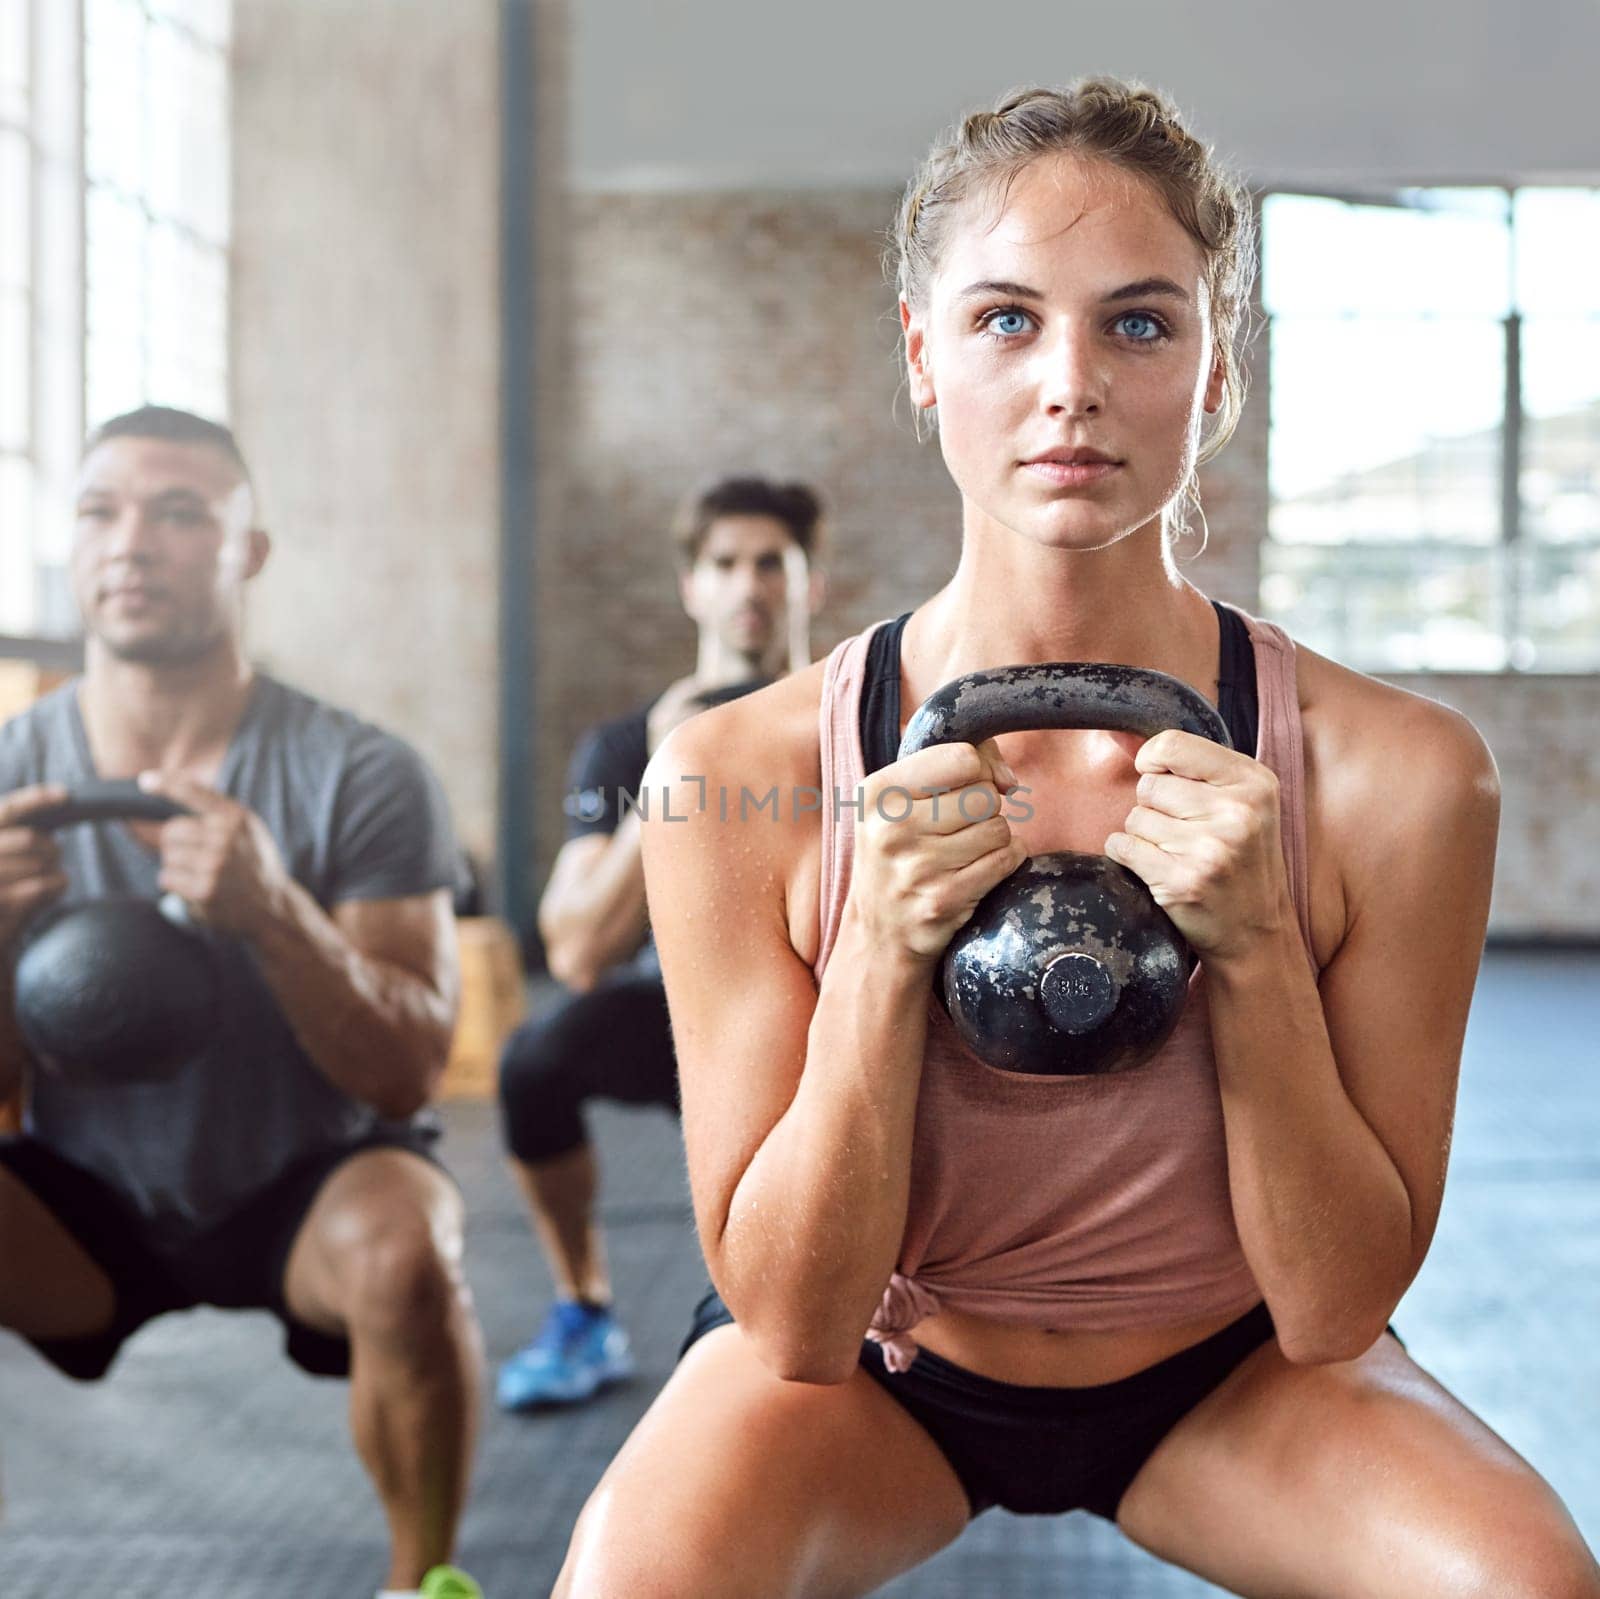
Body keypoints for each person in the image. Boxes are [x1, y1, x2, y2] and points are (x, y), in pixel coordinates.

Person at [552, 81, 1600, 1598]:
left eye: (1141, 323)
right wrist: (879, 948)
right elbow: (790, 1320)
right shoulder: (739, 772)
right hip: (876, 1372)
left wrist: (1252, 947)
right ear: (923, 357)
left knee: (1530, 1586)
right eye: (1002, 320)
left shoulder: (1404, 777)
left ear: (1217, 372)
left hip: (1235, 1372)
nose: (1070, 384)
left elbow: (1333, 1308)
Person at [0, 406, 485, 1599]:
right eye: (100, 512)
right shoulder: (10, 775)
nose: (133, 544)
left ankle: (423, 1586)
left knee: (406, 1252)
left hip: (306, 1186)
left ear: (245, 551)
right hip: (83, 1203)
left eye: (179, 514)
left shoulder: (359, 771)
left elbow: (408, 1071)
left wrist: (275, 913)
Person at [495, 476, 825, 1411]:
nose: (748, 585)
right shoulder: (626, 744)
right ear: (692, 587)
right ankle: (583, 1307)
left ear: (811, 587)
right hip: (680, 1007)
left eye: (773, 563)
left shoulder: (853, 719)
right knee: (533, 1064)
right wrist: (672, 767)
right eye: (724, 564)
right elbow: (574, 952)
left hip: (821, 1004)